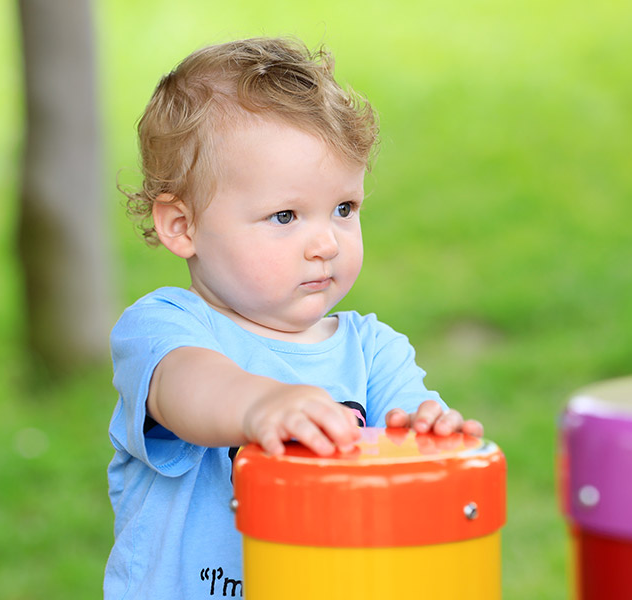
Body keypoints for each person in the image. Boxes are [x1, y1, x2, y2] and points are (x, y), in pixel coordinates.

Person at [104, 36, 483, 599]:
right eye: (285, 216)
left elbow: (406, 452)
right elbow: (190, 388)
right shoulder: (165, 328)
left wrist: (432, 437)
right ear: (182, 226)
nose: (325, 242)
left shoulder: (373, 350)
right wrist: (261, 405)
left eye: (343, 209)